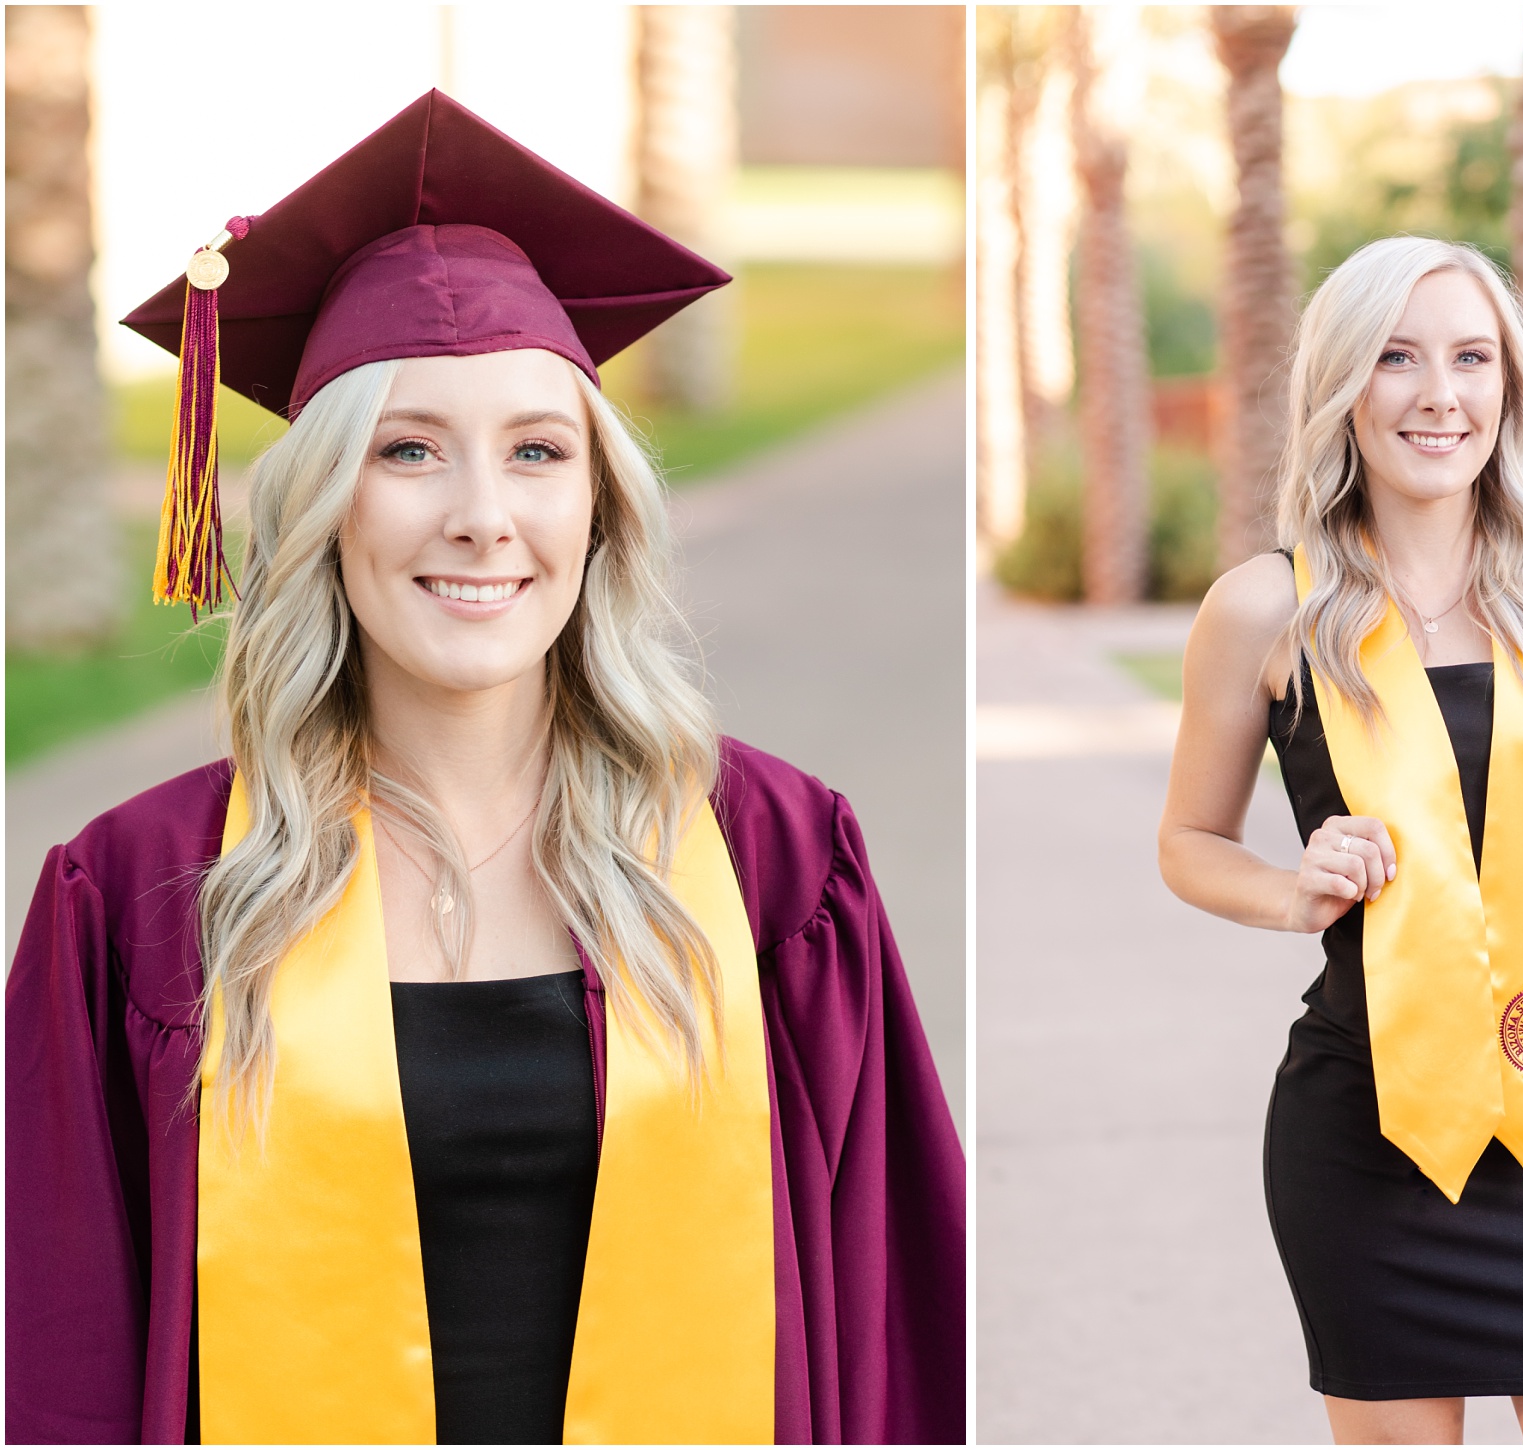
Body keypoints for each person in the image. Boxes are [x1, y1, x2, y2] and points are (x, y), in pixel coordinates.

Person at [6, 90, 964, 1446]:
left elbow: (899, 1322)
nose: (481, 518)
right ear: (325, 503)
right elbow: (61, 1353)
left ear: (599, 501)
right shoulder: (141, 894)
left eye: (536, 451)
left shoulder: (775, 858)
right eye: (407, 451)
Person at [1157, 236, 1523, 1446]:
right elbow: (1191, 840)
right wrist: (1291, 889)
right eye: (1397, 359)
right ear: (1342, 386)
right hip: (1366, 1135)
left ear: (1509, 386)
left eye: (1472, 358)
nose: (1439, 394)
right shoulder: (1268, 608)